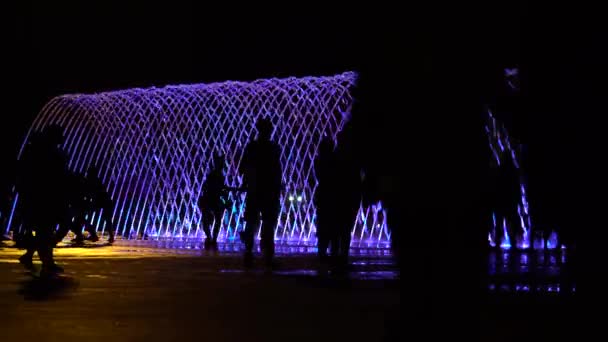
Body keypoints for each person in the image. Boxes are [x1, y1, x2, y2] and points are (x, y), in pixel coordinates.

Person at [16, 125, 70, 276]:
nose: (63, 137)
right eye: (60, 134)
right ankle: (48, 262)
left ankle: (35, 255)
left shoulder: (48, 151)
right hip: (43, 196)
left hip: (49, 196)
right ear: (53, 136)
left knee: (51, 228)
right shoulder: (42, 152)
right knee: (45, 229)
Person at [239, 117, 282, 266]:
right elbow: (277, 170)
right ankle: (267, 252)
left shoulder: (252, 147)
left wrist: (246, 182)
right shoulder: (273, 148)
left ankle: (250, 251)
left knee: (252, 220)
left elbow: (243, 168)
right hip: (268, 190)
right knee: (267, 221)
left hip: (256, 189)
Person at [198, 152, 230, 250]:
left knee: (214, 219)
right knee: (215, 219)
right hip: (211, 198)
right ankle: (211, 237)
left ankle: (211, 237)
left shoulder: (217, 174)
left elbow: (219, 187)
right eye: (220, 163)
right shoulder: (215, 174)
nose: (222, 165)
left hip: (212, 198)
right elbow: (218, 187)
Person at [314, 136, 336, 263]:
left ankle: (322, 251)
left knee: (323, 223)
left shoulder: (319, 160)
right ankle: (331, 252)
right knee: (331, 223)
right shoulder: (334, 160)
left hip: (323, 194)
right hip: (331, 194)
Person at [86, 165, 115, 243]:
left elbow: (93, 194)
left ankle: (109, 236)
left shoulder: (93, 182)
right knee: (106, 219)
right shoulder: (95, 181)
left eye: (88, 173)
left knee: (106, 219)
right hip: (103, 202)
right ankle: (94, 234)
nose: (87, 174)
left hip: (104, 202)